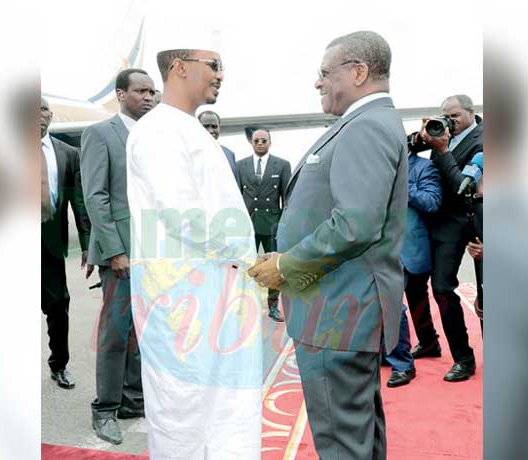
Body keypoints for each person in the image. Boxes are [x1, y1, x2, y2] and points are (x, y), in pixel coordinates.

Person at [248, 30, 408, 459]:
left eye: (324, 73)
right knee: (357, 436)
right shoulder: (366, 123)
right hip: (344, 308)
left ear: (357, 72)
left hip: (337, 310)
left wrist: (286, 266)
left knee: (341, 443)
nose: (318, 82)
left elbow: (354, 224)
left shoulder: (365, 126)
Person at [126, 35, 264, 459]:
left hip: (218, 291)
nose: (220, 75)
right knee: (185, 411)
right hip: (183, 299)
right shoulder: (159, 130)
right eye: (213, 63)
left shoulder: (188, 127)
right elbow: (182, 213)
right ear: (179, 67)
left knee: (225, 405)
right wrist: (247, 258)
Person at [79, 68, 154, 444]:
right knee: (115, 330)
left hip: (151, 251)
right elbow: (96, 196)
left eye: (152, 91)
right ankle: (105, 408)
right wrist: (115, 251)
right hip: (119, 252)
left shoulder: (153, 136)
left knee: (141, 331)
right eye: (140, 90)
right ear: (120, 94)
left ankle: (132, 399)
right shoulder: (100, 134)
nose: (149, 96)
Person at [407, 94, 483, 382]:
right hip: (445, 223)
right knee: (440, 287)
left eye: (454, 116)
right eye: (445, 116)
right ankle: (462, 358)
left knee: (489, 297)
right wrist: (422, 134)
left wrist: (442, 149)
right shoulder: (441, 132)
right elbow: (404, 146)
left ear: (470, 112)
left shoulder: (484, 139)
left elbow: (461, 187)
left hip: (478, 220)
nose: (450, 121)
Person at [40, 96, 91, 390]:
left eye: (43, 108)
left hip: (50, 239)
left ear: (51, 115)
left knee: (58, 304)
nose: (38, 114)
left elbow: (79, 202)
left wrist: (86, 243)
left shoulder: (68, 154)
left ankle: (59, 365)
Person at [385, 146, 442, 387]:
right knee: (399, 303)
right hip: (384, 250)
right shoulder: (378, 169)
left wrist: (403, 183)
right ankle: (418, 350)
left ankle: (407, 360)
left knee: (408, 301)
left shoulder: (424, 167)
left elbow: (431, 202)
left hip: (412, 248)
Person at [237, 127, 290, 322]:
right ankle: (243, 305)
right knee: (245, 264)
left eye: (263, 141)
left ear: (270, 142)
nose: (260, 144)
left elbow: (287, 198)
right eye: (256, 140)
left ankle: (273, 306)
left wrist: (283, 224)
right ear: (251, 142)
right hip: (248, 224)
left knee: (272, 265)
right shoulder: (240, 166)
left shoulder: (282, 165)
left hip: (272, 225)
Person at [198, 110, 242, 189]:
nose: (211, 131)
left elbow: (236, 187)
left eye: (214, 126)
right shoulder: (190, 152)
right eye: (206, 126)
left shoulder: (229, 154)